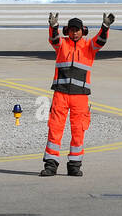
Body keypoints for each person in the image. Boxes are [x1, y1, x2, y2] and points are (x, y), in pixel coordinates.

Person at [41, 12, 114, 177]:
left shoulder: (89, 46)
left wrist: (105, 27)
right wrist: (53, 27)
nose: (75, 33)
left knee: (78, 130)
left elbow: (101, 41)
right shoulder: (61, 45)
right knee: (54, 129)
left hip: (80, 96)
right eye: (72, 30)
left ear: (83, 31)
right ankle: (50, 165)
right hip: (60, 94)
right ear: (67, 31)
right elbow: (53, 39)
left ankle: (74, 165)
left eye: (77, 30)